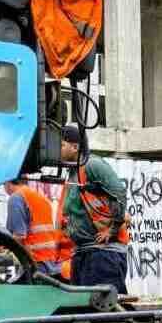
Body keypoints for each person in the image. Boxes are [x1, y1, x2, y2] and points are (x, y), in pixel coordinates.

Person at [59, 124, 130, 293]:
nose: (57, 149)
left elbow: (119, 192)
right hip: (84, 254)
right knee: (81, 305)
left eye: (61, 145)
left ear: (75, 147)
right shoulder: (73, 173)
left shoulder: (92, 165)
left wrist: (112, 230)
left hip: (103, 255)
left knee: (102, 306)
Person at [3, 178, 64, 277]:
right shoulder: (40, 197)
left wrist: (7, 253)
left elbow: (19, 235)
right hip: (51, 259)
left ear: (8, 182)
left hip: (35, 260)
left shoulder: (16, 198)